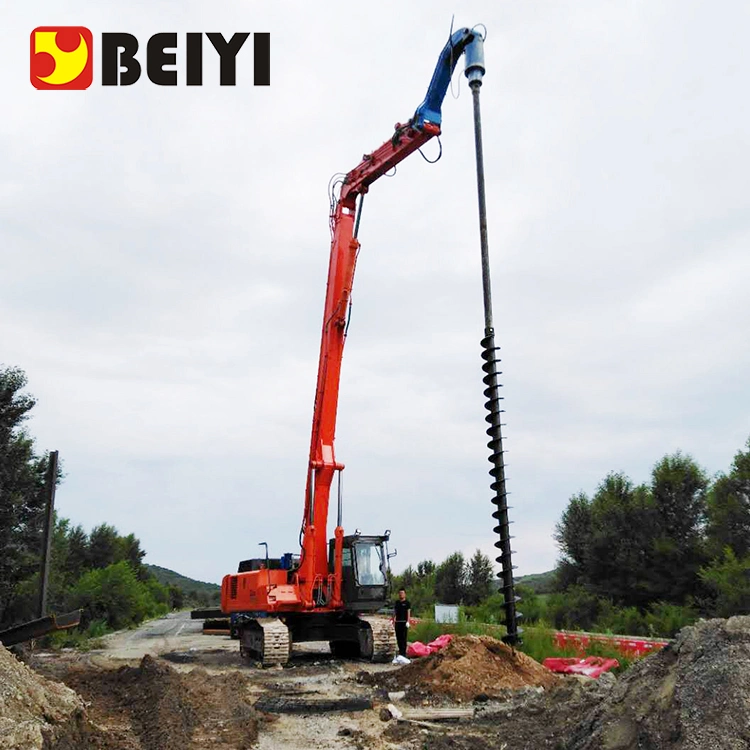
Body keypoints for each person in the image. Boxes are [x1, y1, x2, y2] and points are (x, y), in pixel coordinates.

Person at [393, 588, 411, 657]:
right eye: (400, 593)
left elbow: (408, 612)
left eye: (402, 593)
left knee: (404, 638)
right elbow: (395, 611)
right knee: (398, 637)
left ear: (405, 594)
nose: (401, 594)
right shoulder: (397, 602)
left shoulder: (407, 603)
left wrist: (408, 621)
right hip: (398, 622)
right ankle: (400, 651)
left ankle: (403, 653)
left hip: (404, 622)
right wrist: (393, 619)